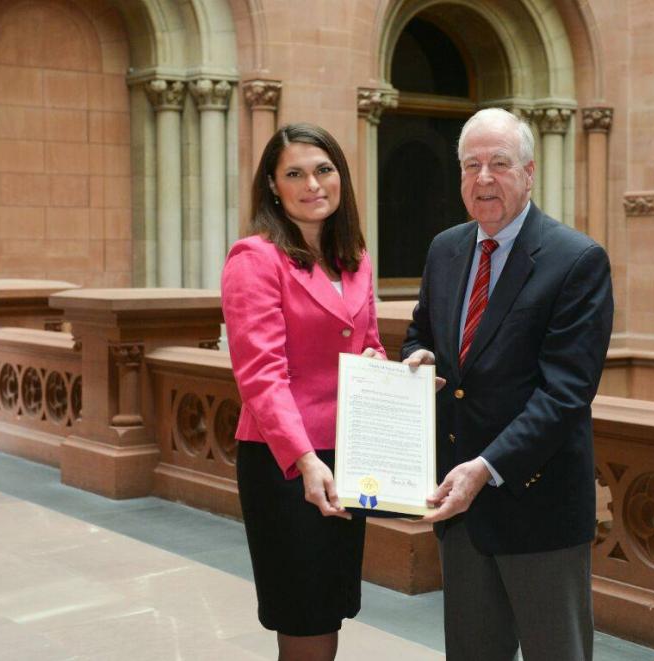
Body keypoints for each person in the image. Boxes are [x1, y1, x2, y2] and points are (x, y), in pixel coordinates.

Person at [402, 108, 614, 661]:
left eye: (499, 163)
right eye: (471, 165)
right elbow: (419, 332)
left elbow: (566, 392)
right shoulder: (445, 249)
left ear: (529, 171)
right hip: (462, 511)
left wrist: (486, 468)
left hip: (536, 503)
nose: (484, 179)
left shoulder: (576, 259)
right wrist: (417, 359)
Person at [221, 123, 385, 661]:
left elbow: (370, 346)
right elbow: (260, 374)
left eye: (323, 170)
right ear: (273, 185)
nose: (312, 184)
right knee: (304, 624)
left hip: (348, 457)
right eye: (294, 173)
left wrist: (392, 375)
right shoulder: (255, 258)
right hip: (286, 464)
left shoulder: (354, 257)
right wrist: (306, 460)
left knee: (328, 613)